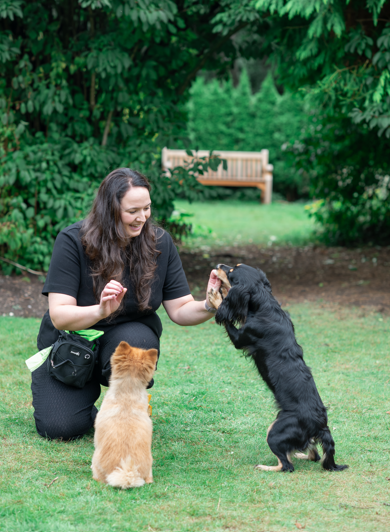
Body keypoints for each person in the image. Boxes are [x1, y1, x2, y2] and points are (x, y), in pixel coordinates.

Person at [32, 168, 221, 440]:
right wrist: (100, 310)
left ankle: (128, 408)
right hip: (73, 342)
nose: (142, 217)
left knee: (137, 342)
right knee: (60, 429)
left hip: (127, 338)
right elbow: (60, 315)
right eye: (132, 211)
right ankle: (95, 408)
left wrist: (211, 304)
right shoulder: (72, 240)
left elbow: (180, 310)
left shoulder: (160, 244)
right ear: (110, 209)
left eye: (146, 209)